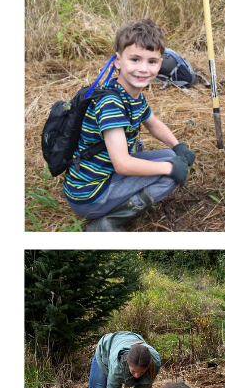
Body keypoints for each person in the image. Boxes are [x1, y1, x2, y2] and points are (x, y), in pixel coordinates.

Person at [63, 19, 193, 232]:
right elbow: (123, 164)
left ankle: (121, 202)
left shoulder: (131, 95)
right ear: (118, 61)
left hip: (105, 176)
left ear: (160, 64)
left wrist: (178, 146)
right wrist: (170, 169)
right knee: (170, 175)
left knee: (173, 159)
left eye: (152, 61)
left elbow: (153, 124)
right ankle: (107, 223)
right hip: (90, 196)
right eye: (135, 59)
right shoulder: (111, 104)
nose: (143, 69)